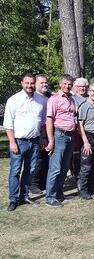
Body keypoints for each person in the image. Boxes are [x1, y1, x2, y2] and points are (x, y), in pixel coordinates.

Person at [4, 73, 46, 211]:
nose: (30, 85)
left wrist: (42, 138)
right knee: (15, 171)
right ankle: (13, 199)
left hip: (34, 141)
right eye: (27, 83)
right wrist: (12, 142)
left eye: (32, 83)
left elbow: (44, 121)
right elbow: (8, 124)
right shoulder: (14, 100)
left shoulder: (41, 100)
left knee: (30, 170)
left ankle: (24, 196)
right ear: (22, 83)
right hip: (19, 141)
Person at [45, 74, 77, 208]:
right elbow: (49, 120)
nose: (67, 86)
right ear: (60, 84)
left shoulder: (72, 99)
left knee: (64, 168)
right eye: (65, 84)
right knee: (55, 168)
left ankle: (59, 193)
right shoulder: (54, 99)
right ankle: (50, 197)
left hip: (70, 135)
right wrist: (51, 140)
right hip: (59, 135)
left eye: (69, 84)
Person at [77, 84, 94, 200]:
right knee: (86, 166)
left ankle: (91, 187)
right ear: (88, 91)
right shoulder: (84, 106)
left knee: (93, 165)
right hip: (88, 137)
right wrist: (85, 142)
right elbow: (80, 124)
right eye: (92, 91)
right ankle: (82, 190)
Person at [30, 74, 51, 195]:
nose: (44, 85)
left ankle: (43, 183)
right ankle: (33, 184)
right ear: (36, 84)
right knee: (38, 160)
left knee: (46, 158)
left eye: (45, 82)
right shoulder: (34, 97)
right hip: (39, 134)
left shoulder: (49, 96)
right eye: (41, 83)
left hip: (49, 133)